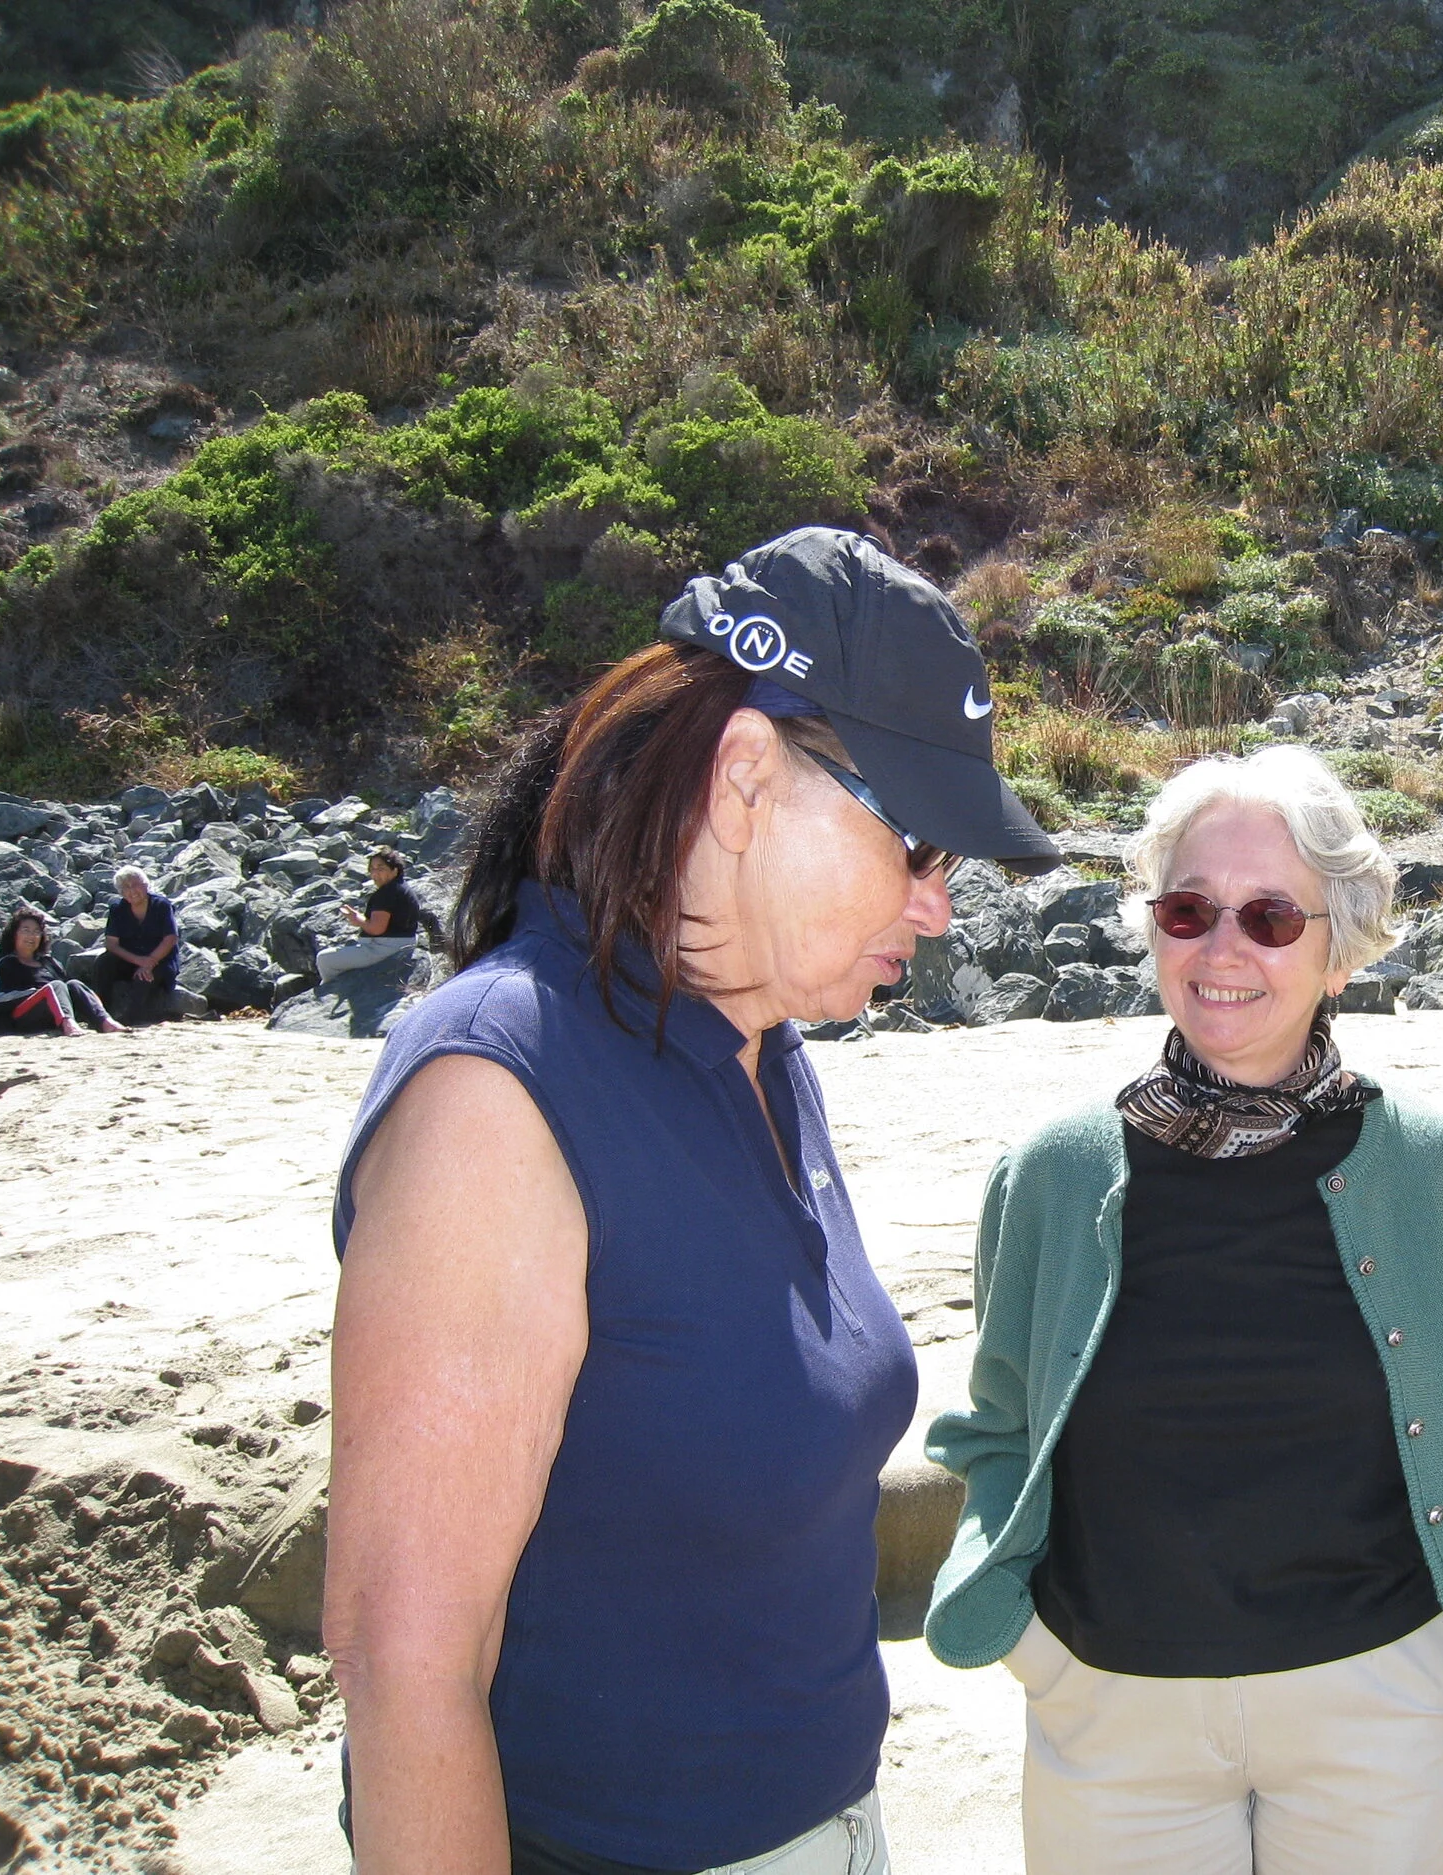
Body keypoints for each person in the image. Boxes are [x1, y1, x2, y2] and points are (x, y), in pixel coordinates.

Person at [324, 527, 1061, 1875]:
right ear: (743, 778)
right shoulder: (502, 1090)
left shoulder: (760, 1045)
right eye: (915, 841)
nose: (940, 906)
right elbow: (404, 1665)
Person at [924, 744, 1443, 1875]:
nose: (1223, 949)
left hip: (1379, 1710)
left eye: (1271, 919)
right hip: (1109, 1718)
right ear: (1151, 929)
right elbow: (995, 1430)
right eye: (1189, 910)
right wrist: (1040, 1654)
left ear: (1340, 948)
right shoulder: (1048, 1174)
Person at [0, 907, 123, 1035]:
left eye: (36, 932)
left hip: (53, 1013)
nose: (31, 936)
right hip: (22, 1017)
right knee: (56, 986)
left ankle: (106, 1022)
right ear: (14, 934)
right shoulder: (6, 964)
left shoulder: (48, 962)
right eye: (26, 930)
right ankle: (68, 1024)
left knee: (74, 984)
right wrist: (36, 992)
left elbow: (67, 989)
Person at [316, 847, 435, 984]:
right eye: (372, 869)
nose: (375, 874)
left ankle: (330, 989)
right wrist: (359, 917)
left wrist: (358, 920)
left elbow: (377, 929)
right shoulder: (401, 888)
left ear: (394, 870)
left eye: (381, 868)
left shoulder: (386, 894)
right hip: (405, 941)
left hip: (385, 948)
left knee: (324, 958)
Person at [98, 866, 178, 1024]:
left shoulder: (161, 906)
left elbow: (170, 938)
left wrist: (149, 962)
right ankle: (101, 1014)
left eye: (135, 885)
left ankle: (133, 1019)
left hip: (160, 960)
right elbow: (112, 944)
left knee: (144, 978)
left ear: (145, 885)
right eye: (126, 887)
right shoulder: (118, 909)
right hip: (131, 960)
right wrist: (138, 961)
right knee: (103, 963)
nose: (132, 891)